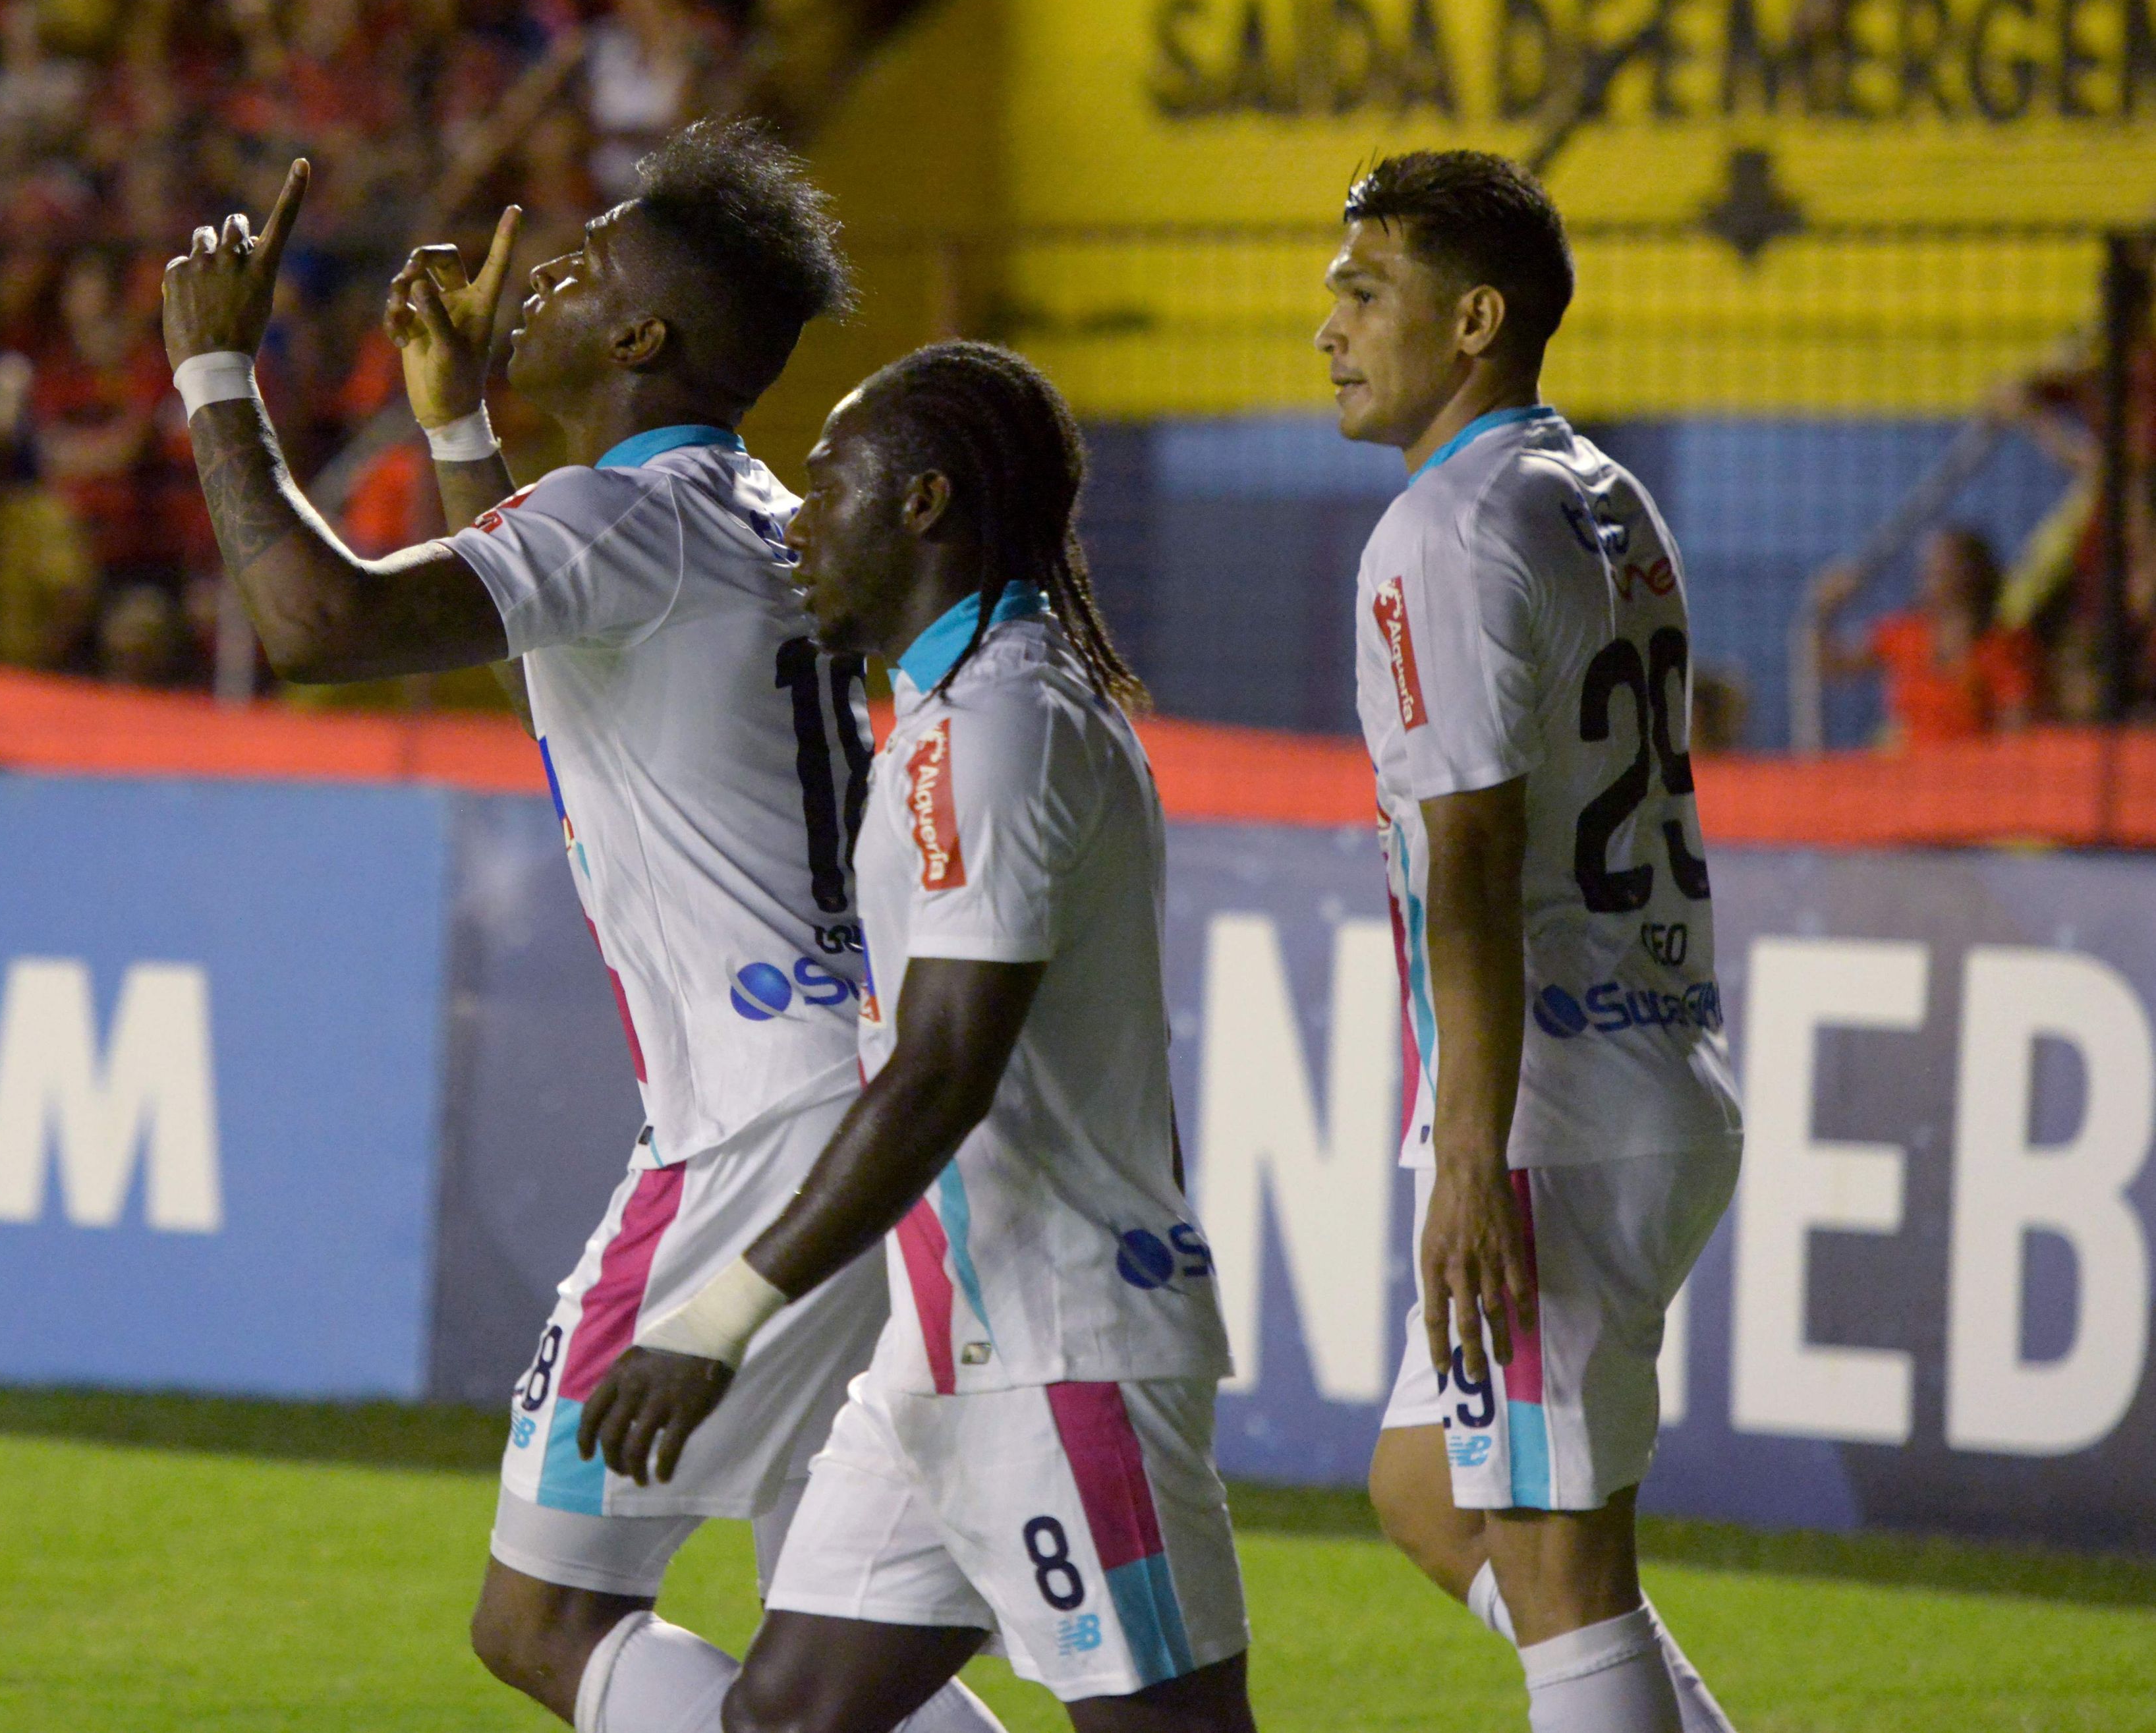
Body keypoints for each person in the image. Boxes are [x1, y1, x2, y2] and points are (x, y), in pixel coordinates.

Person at [160, 125, 997, 1733]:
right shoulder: (741, 512)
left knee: (543, 1617)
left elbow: (315, 623)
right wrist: (457, 422)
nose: (535, 271)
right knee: (830, 1632)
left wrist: (214, 381)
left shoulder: (636, 524)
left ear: (641, 341)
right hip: (867, 1110)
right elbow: (565, 656)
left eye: (585, 267)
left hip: (753, 1128)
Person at [571, 340, 1255, 1733]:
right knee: (781, 1719)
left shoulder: (998, 726)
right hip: (947, 1348)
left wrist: (715, 1319)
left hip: (1062, 1345)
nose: (797, 521)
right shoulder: (960, 709)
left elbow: (944, 1069)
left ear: (923, 503)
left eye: (826, 484)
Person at [1314, 152, 1743, 1733]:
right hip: (1658, 1063)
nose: (1330, 329)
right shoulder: (1601, 493)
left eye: (1366, 293)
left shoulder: (1438, 531)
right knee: (1428, 1489)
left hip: (1551, 1117)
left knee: (1565, 1581)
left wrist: (1470, 1159)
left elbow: (1474, 862)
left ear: (1474, 320)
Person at [1813, 525, 2039, 749]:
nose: (1928, 576)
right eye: (1928, 568)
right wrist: (1825, 612)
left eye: (1941, 567)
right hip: (1913, 775)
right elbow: (1834, 666)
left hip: (1973, 774)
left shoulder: (2002, 646)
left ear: (1970, 574)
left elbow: (2015, 729)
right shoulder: (1906, 633)